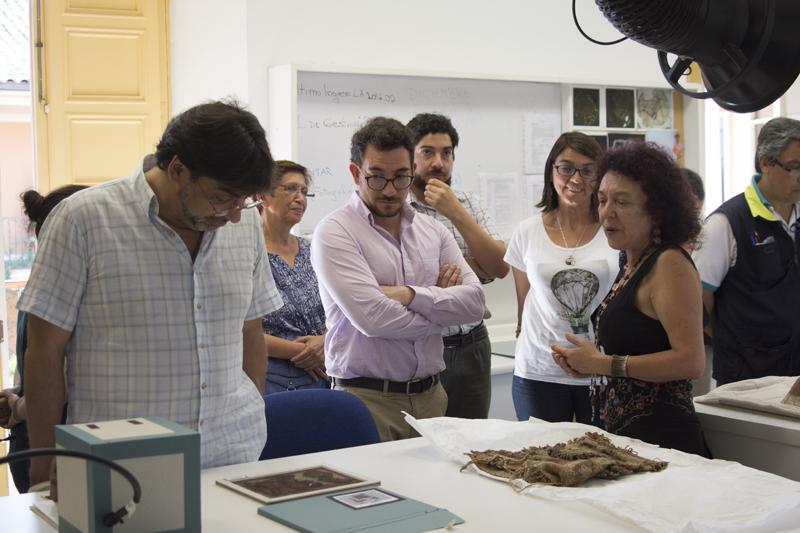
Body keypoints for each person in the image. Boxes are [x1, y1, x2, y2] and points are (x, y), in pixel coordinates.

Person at [18, 101, 283, 485]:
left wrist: (251, 407)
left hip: (234, 455)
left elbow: (249, 330)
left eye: (245, 200)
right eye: (223, 196)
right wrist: (42, 470)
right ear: (178, 169)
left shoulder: (239, 227)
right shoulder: (83, 220)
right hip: (122, 466)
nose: (235, 214)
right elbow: (44, 352)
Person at [311, 117, 485, 441]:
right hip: (365, 400)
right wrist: (440, 308)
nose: (391, 190)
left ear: (412, 170)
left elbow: (475, 304)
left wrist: (409, 295)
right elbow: (374, 320)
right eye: (377, 178)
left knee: (435, 493)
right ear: (355, 173)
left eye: (401, 177)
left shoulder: (432, 230)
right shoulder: (335, 233)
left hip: (432, 397)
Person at [552, 142, 708, 456]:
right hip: (626, 441)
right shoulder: (630, 263)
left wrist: (602, 363)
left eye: (622, 202)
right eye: (602, 200)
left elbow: (691, 361)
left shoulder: (669, 264)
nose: (607, 212)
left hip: (663, 443)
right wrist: (591, 365)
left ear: (656, 211)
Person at [504, 132, 618, 424]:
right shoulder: (527, 231)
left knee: (602, 458)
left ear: (600, 175)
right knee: (542, 459)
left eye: (588, 170)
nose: (576, 179)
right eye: (566, 168)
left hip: (600, 367)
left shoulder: (616, 230)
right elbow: (524, 297)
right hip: (539, 368)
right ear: (551, 171)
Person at [406, 113, 508, 419]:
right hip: (424, 343)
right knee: (422, 445)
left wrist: (455, 211)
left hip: (472, 344)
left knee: (473, 443)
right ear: (410, 157)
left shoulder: (469, 201)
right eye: (428, 152)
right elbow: (413, 275)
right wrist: (474, 266)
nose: (439, 162)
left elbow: (499, 267)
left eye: (446, 153)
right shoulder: (398, 208)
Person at [693, 117, 800, 385]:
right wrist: (737, 342)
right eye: (794, 167)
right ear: (765, 162)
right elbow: (697, 300)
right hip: (746, 376)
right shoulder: (725, 223)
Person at [0, 185, 87, 493]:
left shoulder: (31, 296)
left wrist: (15, 401)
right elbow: (57, 386)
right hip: (49, 449)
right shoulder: (68, 299)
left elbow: (28, 368)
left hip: (26, 445)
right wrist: (18, 406)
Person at [257, 160, 328, 393]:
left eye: (305, 192)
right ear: (263, 196)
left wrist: (324, 342)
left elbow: (340, 308)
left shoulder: (313, 250)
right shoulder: (249, 253)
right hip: (272, 379)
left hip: (325, 374)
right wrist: (302, 352)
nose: (300, 198)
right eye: (290, 189)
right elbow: (242, 330)